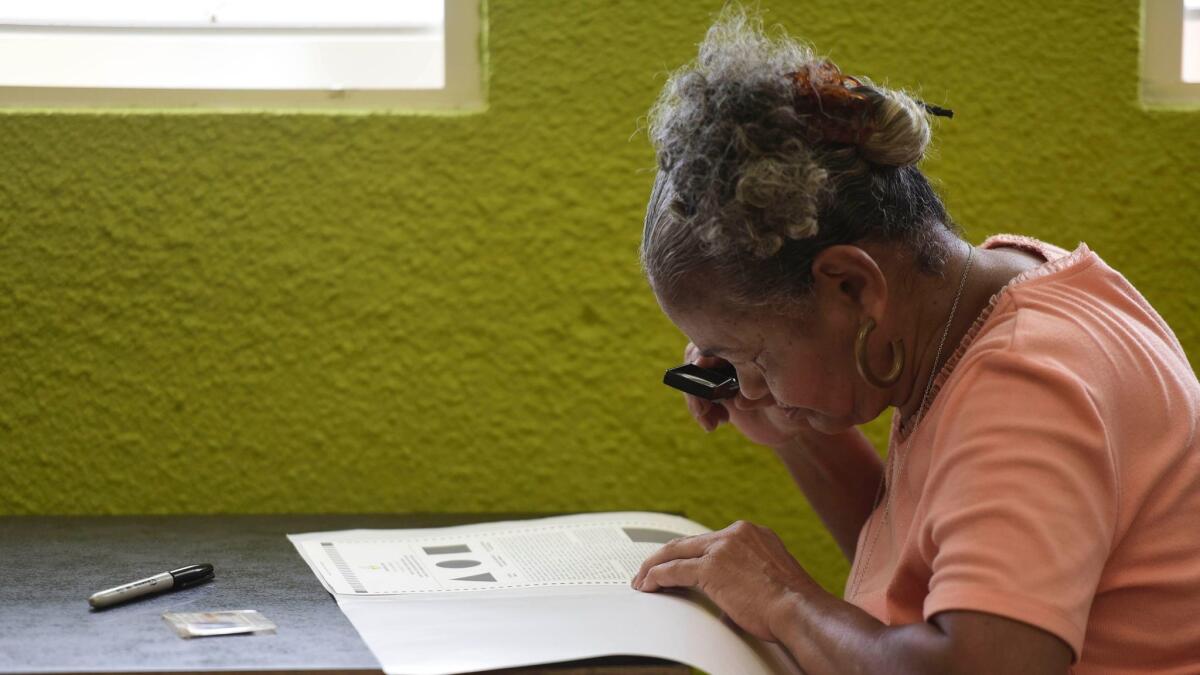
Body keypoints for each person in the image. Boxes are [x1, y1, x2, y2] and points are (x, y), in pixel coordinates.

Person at [630, 9, 1200, 675]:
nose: (744, 384)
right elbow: (914, 578)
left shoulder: (1029, 384)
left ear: (851, 287)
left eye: (752, 356)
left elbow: (978, 666)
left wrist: (782, 597)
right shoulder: (988, 299)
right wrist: (789, 422)